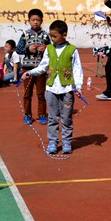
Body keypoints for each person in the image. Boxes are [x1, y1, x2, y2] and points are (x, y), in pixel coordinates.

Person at [21, 20, 83, 154]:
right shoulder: (49, 49)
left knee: (66, 117)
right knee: (52, 118)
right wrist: (30, 72)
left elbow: (77, 68)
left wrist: (78, 86)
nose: (52, 39)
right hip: (51, 89)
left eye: (54, 36)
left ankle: (66, 141)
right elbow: (43, 66)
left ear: (64, 34)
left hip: (66, 89)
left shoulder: (72, 49)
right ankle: (53, 142)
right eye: (51, 36)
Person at [16, 8, 51, 125]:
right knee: (27, 93)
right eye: (33, 20)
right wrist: (28, 49)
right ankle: (27, 115)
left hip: (41, 69)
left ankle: (42, 115)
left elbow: (51, 49)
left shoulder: (45, 36)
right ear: (29, 21)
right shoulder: (25, 35)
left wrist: (45, 49)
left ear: (41, 21)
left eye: (38, 20)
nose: (35, 22)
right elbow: (18, 49)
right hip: (28, 69)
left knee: (41, 93)